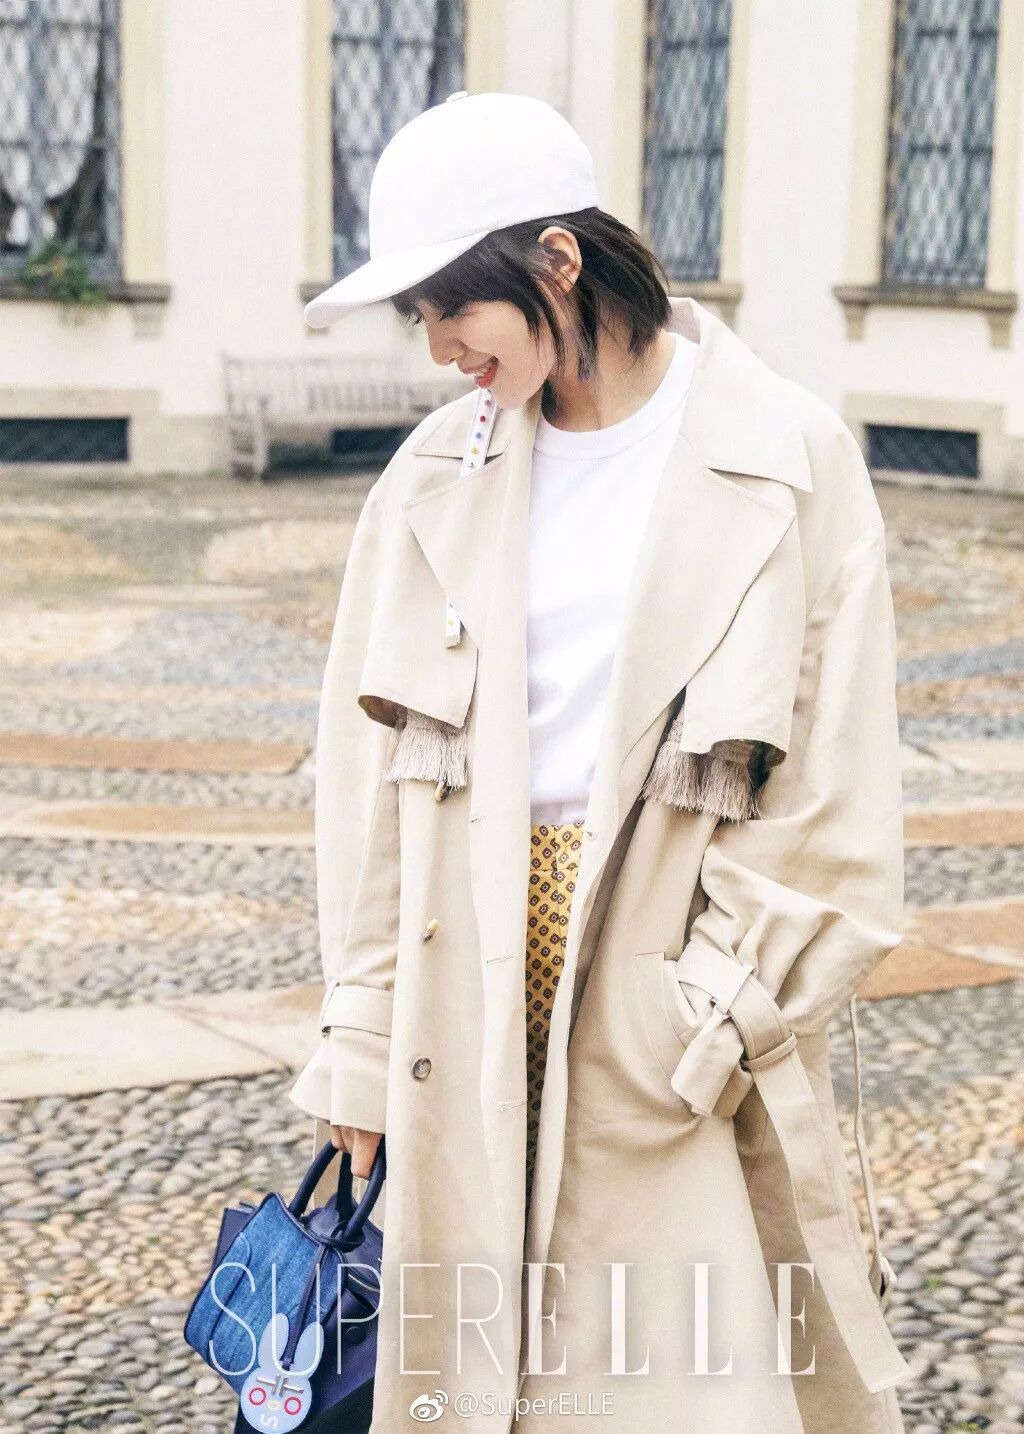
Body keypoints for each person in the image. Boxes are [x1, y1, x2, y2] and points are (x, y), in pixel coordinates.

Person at [290, 92, 913, 1434]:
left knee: (671, 1380)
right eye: (419, 317)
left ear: (559, 264)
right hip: (459, 997)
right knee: (479, 1384)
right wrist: (361, 1038)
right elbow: (373, 788)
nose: (439, 346)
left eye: (454, 306)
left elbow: (836, 794)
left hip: (667, 998)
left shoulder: (788, 457)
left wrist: (705, 1019)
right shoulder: (429, 479)